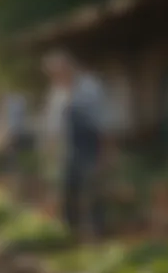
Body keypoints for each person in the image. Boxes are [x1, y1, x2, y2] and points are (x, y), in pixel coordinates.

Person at [42, 49, 115, 242]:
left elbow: (103, 122)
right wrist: (50, 153)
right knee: (68, 191)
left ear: (69, 68)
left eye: (59, 73)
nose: (57, 78)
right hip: (68, 149)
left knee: (93, 191)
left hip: (90, 146)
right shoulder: (57, 93)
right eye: (54, 75)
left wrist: (106, 153)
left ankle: (98, 233)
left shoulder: (90, 88)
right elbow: (53, 126)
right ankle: (69, 233)